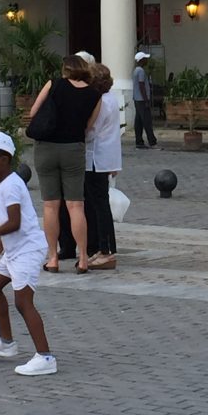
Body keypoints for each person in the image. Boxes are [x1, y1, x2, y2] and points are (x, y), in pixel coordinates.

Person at [0, 131, 56, 376]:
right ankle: (6, 343)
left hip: (28, 249)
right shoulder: (3, 185)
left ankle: (45, 357)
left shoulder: (11, 185)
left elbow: (14, 223)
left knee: (23, 302)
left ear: (4, 159)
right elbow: (15, 223)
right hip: (15, 248)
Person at [30, 55, 101, 273]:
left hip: (46, 148)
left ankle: (53, 258)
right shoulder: (94, 95)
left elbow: (33, 112)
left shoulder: (54, 84)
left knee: (51, 205)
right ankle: (82, 258)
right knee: (76, 205)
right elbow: (89, 126)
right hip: (73, 148)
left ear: (66, 69)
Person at [84, 63, 121, 270]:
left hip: (96, 157)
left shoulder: (100, 102)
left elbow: (91, 129)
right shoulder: (112, 99)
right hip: (106, 156)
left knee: (98, 205)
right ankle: (103, 247)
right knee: (100, 203)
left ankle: (105, 250)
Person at [132, 51, 157, 148]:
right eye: (145, 58)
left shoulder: (136, 70)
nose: (147, 60)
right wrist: (146, 100)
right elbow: (141, 85)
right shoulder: (141, 71)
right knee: (147, 121)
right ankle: (152, 141)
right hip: (142, 100)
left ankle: (139, 141)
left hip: (137, 99)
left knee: (138, 121)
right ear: (141, 60)